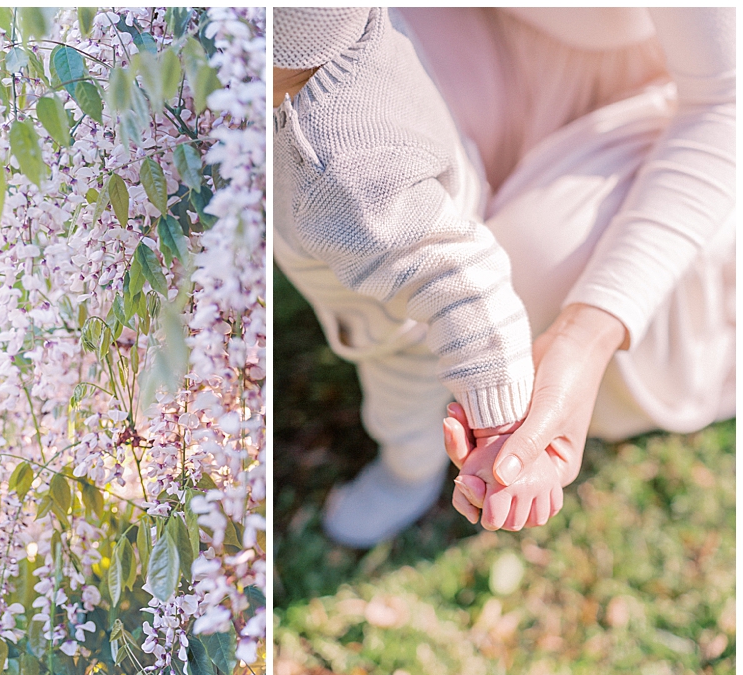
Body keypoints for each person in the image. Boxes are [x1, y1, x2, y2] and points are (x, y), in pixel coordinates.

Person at [273, 7, 735, 546]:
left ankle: (473, 372)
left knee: (518, 265)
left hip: (670, 94)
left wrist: (581, 339)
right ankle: (412, 432)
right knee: (346, 175)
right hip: (472, 28)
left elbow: (724, 105)